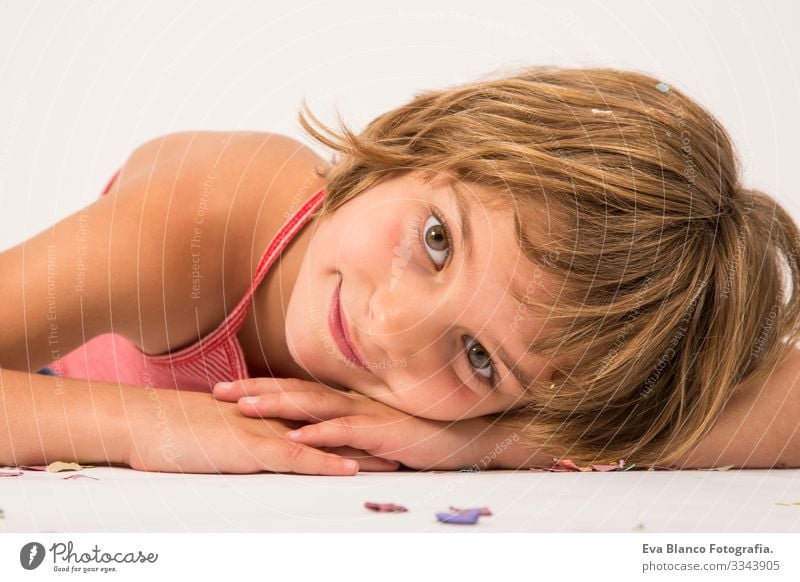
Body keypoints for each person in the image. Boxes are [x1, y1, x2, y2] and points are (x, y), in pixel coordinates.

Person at [1, 65, 798, 475]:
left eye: (479, 358)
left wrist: (490, 446)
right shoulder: (195, 227)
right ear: (427, 144)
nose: (389, 325)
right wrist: (147, 428)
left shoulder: (486, 413)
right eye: (439, 241)